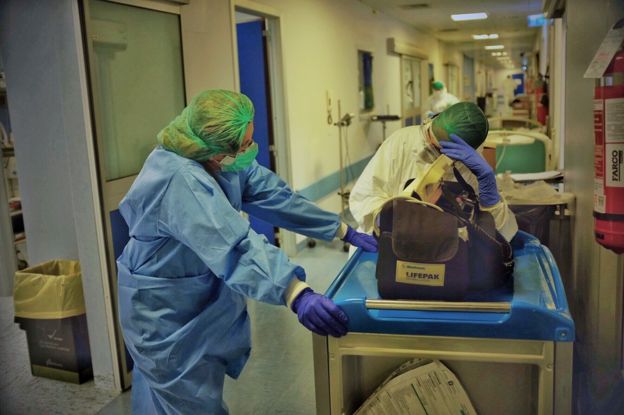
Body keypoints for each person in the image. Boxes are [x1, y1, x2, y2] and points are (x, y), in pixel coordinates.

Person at [116, 90, 378, 414]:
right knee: (187, 402)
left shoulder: (218, 159)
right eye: (241, 147)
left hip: (192, 294)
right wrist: (296, 292)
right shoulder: (180, 178)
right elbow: (235, 245)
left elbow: (276, 196)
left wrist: (341, 230)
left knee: (162, 400)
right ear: (214, 151)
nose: (248, 151)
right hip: (165, 310)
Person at [349, 102, 518, 242]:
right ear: (432, 122)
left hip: (449, 252)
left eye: (446, 152)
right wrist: (399, 216)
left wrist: (490, 194)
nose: (438, 155)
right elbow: (364, 198)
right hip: (390, 245)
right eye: (433, 145)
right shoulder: (401, 143)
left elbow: (499, 234)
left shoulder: (472, 163)